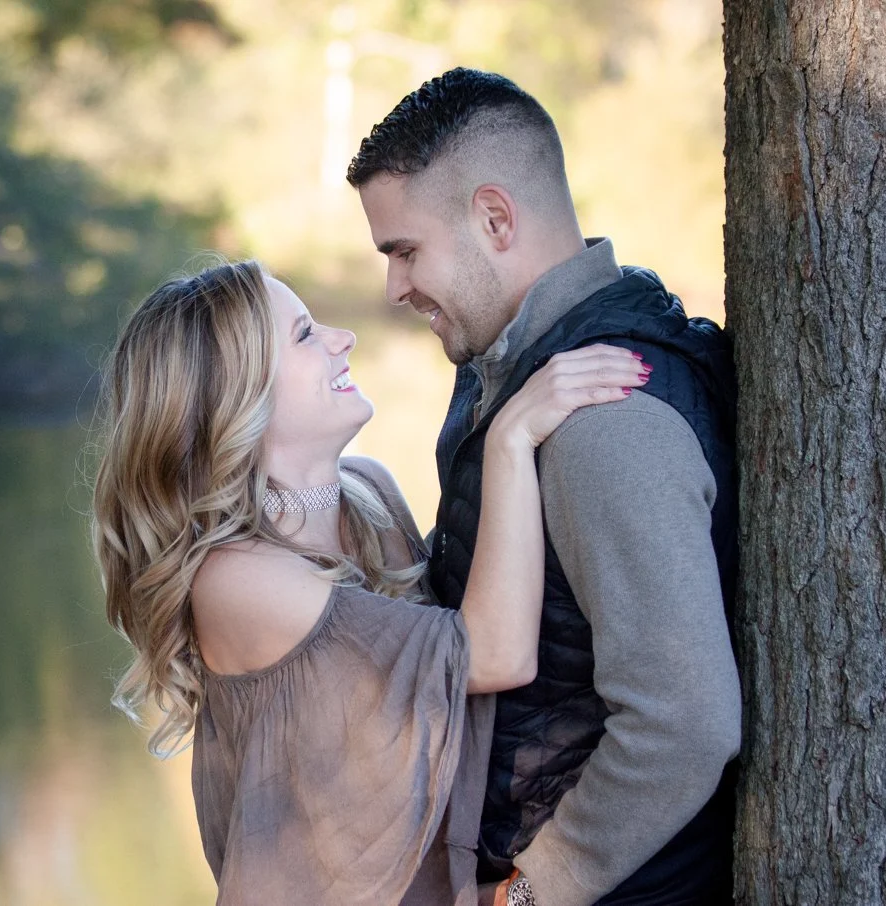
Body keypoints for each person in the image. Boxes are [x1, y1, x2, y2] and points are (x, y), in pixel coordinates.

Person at [90, 258, 650, 904]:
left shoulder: (369, 498)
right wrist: (511, 436)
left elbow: (453, 698)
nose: (342, 338)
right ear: (236, 399)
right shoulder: (233, 584)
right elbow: (494, 652)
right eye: (303, 335)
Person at [347, 68, 743, 906]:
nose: (394, 288)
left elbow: (684, 724)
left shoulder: (606, 419)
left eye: (405, 251)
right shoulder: (511, 365)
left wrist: (530, 894)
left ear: (494, 218)